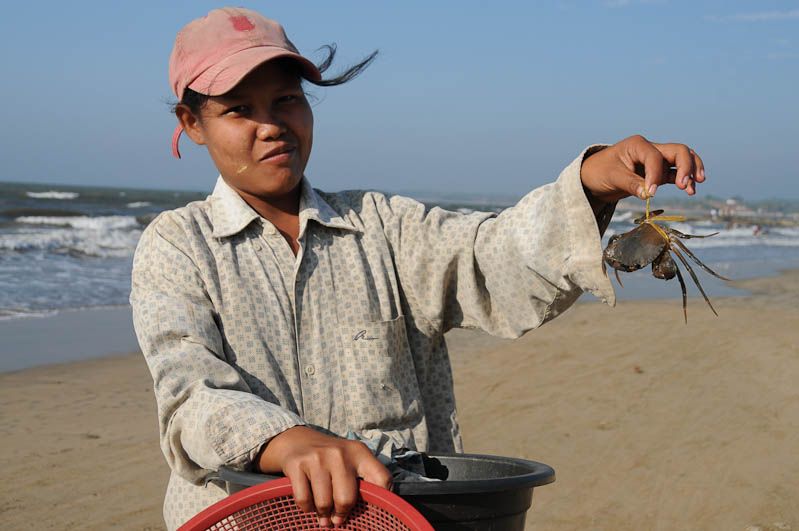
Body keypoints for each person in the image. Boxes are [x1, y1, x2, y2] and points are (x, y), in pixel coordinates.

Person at [130, 7, 707, 530]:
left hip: (398, 517)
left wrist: (589, 183)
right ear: (192, 123)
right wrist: (286, 441)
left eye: (287, 100)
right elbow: (189, 396)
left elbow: (494, 261)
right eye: (238, 109)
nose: (272, 124)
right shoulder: (178, 246)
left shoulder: (383, 226)